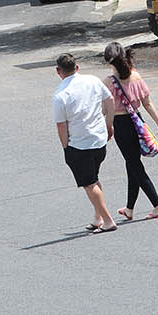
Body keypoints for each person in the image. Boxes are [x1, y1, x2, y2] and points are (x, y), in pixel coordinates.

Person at [52, 53, 117, 234]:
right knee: (94, 179)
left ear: (58, 71)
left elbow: (61, 125)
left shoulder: (60, 95)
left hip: (80, 144)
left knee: (89, 184)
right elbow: (110, 100)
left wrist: (65, 147)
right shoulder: (93, 81)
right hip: (99, 139)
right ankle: (98, 217)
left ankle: (108, 220)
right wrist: (109, 125)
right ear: (77, 67)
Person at [102, 43, 158, 222]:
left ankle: (157, 205)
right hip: (137, 120)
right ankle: (129, 208)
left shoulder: (108, 82)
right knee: (131, 164)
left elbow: (104, 110)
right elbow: (148, 103)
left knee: (135, 166)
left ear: (109, 61)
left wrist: (106, 127)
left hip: (121, 124)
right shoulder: (136, 76)